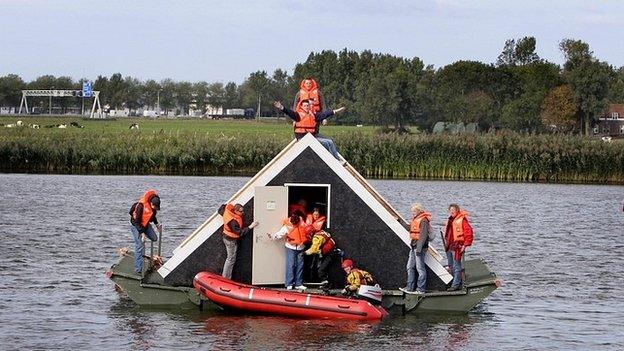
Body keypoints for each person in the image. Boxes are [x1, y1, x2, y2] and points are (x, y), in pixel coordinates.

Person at [273, 100, 345, 159]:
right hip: (303, 137)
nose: (306, 107)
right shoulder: (297, 115)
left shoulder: (313, 115)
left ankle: (336, 159)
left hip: (311, 136)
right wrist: (281, 107)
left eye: (308, 105)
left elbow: (324, 114)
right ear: (301, 106)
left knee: (330, 141)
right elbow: (289, 112)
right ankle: (331, 160)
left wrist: (336, 111)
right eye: (305, 106)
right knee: (326, 143)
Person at [268, 212, 309, 290]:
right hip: (290, 247)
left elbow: (307, 231)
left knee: (300, 266)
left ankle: (298, 284)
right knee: (290, 265)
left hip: (301, 247)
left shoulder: (302, 223)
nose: (295, 225)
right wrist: (273, 237)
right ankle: (289, 283)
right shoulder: (287, 226)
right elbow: (280, 234)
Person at [400, 203, 431, 295]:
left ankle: (421, 289)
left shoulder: (424, 221)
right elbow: (410, 228)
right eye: (412, 211)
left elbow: (423, 235)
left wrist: (419, 248)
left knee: (420, 268)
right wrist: (400, 222)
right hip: (413, 246)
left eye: (414, 211)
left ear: (419, 211)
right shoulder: (416, 219)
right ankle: (410, 287)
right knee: (410, 267)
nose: (412, 213)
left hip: (419, 248)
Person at [221, 203, 258, 279]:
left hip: (227, 237)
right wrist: (250, 226)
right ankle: (225, 278)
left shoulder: (227, 212)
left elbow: (221, 209)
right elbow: (239, 232)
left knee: (231, 258)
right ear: (235, 211)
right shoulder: (233, 221)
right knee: (230, 259)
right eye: (241, 211)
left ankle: (226, 277)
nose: (242, 213)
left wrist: (226, 205)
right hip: (230, 240)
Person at [129, 189, 161, 275]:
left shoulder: (153, 206)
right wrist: (142, 234)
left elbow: (152, 215)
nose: (155, 209)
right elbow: (136, 222)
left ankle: (144, 236)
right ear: (151, 204)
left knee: (154, 238)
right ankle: (138, 270)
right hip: (136, 226)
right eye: (155, 207)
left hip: (145, 225)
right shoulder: (141, 206)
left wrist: (157, 224)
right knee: (139, 245)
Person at [443, 204, 474, 291]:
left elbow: (469, 233)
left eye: (453, 210)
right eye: (450, 210)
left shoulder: (462, 220)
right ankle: (453, 282)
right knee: (451, 266)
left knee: (457, 266)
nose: (451, 211)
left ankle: (455, 285)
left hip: (457, 247)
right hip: (450, 246)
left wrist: (465, 245)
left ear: (457, 210)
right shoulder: (451, 219)